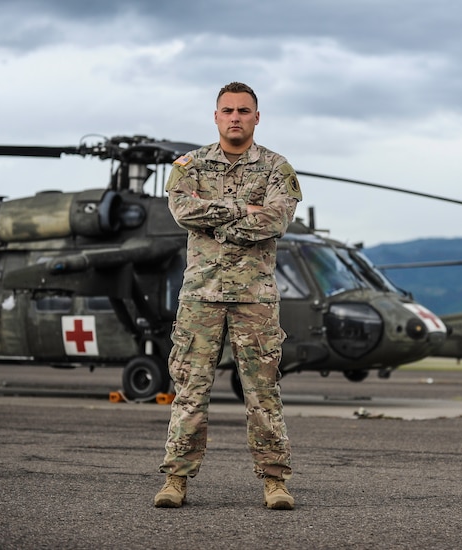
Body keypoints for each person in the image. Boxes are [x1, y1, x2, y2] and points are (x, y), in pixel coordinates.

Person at [154, 82, 302, 510]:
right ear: (215, 117)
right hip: (201, 297)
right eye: (227, 110)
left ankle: (275, 482)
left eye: (243, 110)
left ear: (257, 117)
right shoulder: (190, 165)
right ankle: (176, 480)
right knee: (189, 391)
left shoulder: (277, 167)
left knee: (263, 393)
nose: (235, 117)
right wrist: (242, 210)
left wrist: (215, 217)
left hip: (255, 298)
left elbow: (276, 220)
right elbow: (183, 210)